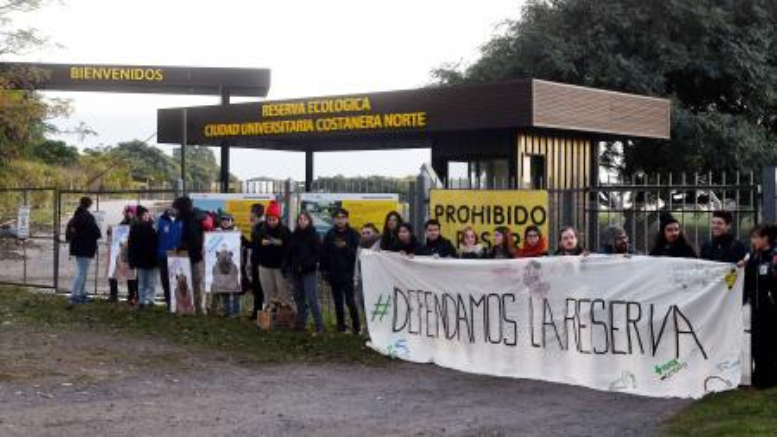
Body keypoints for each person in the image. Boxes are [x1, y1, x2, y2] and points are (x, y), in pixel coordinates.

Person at [743, 223, 777, 388]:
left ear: (766, 238)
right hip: (757, 309)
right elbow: (747, 280)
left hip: (771, 310)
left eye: (756, 237)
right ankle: (760, 380)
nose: (753, 240)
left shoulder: (774, 257)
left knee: (770, 344)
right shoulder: (754, 257)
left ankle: (769, 380)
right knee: (757, 345)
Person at [321, 208, 361, 334]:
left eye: (343, 217)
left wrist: (345, 247)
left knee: (350, 301)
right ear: (334, 219)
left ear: (347, 219)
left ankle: (356, 326)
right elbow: (324, 254)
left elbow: (358, 254)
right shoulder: (330, 234)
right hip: (334, 274)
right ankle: (341, 326)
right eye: (337, 217)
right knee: (337, 301)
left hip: (349, 274)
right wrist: (324, 271)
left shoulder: (354, 234)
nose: (340, 220)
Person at [283, 211, 323, 334]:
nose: (302, 221)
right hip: (296, 271)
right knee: (299, 298)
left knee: (312, 299)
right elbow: (289, 252)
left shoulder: (314, 235)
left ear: (309, 221)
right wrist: (285, 266)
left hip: (308, 271)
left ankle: (319, 326)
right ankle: (301, 323)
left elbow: (317, 254)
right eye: (300, 219)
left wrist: (307, 265)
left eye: (305, 219)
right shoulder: (294, 235)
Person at [255, 200, 293, 310]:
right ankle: (269, 314)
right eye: (269, 219)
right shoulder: (260, 230)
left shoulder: (285, 231)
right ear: (266, 219)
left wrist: (282, 244)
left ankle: (284, 314)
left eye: (274, 219)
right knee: (268, 292)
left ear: (278, 219)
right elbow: (255, 244)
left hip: (280, 267)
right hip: (265, 266)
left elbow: (290, 248)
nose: (271, 222)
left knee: (283, 292)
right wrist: (260, 243)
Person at [173, 196, 206, 315]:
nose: (175, 211)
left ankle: (199, 309)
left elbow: (193, 239)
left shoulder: (193, 219)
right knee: (191, 283)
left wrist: (182, 247)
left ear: (182, 208)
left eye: (177, 208)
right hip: (189, 256)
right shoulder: (187, 218)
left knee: (197, 283)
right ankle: (191, 308)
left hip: (195, 256)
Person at [65, 196, 101, 304]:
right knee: (82, 272)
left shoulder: (76, 216)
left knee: (82, 271)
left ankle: (81, 293)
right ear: (89, 205)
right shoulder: (88, 217)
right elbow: (96, 232)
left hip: (77, 248)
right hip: (86, 248)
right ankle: (75, 295)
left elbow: (69, 232)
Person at [128, 205, 159, 309]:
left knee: (145, 281)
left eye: (147, 214)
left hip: (145, 259)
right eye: (145, 214)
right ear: (141, 216)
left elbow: (131, 245)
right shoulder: (151, 227)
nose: (147, 216)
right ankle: (146, 300)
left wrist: (132, 260)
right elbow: (132, 245)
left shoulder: (137, 228)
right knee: (148, 281)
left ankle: (145, 300)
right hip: (149, 259)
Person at [107, 205, 138, 305]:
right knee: (113, 274)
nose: (125, 213)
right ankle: (114, 295)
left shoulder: (136, 223)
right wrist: (111, 231)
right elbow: (117, 232)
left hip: (130, 253)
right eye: (125, 212)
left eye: (127, 212)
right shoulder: (124, 222)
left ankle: (132, 296)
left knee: (131, 275)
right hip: (120, 252)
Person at [215, 213, 243, 317]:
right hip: (223, 266)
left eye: (228, 220)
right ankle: (226, 310)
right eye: (223, 220)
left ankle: (235, 311)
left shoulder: (237, 232)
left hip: (234, 265)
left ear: (232, 221)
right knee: (224, 288)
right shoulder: (217, 232)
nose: (225, 222)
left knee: (235, 288)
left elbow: (242, 247)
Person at [156, 207, 182, 310]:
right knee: (165, 280)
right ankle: (169, 302)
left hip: (179, 255)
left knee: (178, 279)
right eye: (170, 209)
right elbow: (155, 236)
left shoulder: (181, 221)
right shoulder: (161, 221)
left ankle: (179, 302)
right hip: (164, 255)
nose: (173, 210)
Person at [248, 203, 266, 320]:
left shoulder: (262, 227)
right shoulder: (256, 226)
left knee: (261, 288)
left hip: (262, 262)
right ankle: (256, 311)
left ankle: (260, 312)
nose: (249, 214)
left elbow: (260, 244)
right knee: (256, 288)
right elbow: (254, 244)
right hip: (256, 261)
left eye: (250, 212)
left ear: (255, 213)